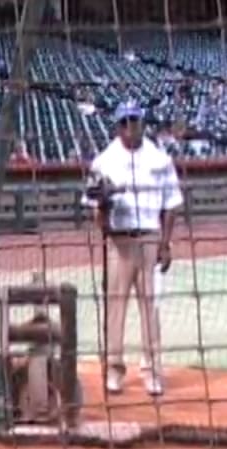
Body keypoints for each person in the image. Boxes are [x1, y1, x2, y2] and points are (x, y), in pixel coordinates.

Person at [83, 100, 182, 397]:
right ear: (117, 125)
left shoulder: (159, 158)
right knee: (116, 306)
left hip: (150, 236)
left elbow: (172, 205)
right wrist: (103, 204)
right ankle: (114, 370)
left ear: (142, 123)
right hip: (119, 239)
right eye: (124, 122)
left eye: (134, 121)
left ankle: (152, 371)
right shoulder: (104, 160)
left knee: (150, 307)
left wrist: (165, 245)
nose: (130, 127)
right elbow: (93, 210)